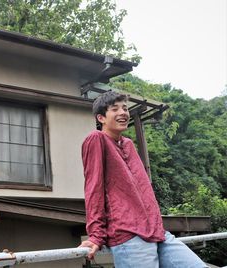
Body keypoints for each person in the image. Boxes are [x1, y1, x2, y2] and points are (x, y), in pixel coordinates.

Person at [79, 91, 207, 267]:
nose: (123, 112)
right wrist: (95, 235)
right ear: (101, 118)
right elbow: (94, 188)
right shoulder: (96, 139)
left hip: (157, 231)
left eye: (125, 108)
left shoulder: (128, 144)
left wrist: (157, 225)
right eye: (115, 109)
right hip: (129, 234)